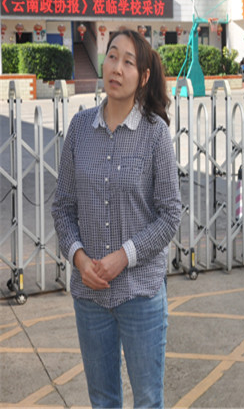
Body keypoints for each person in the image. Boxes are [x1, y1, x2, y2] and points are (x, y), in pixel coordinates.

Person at [52, 29, 181, 409]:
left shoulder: (155, 134)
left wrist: (123, 256)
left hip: (140, 292)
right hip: (89, 293)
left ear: (143, 77)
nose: (117, 68)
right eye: (111, 56)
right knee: (103, 400)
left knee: (148, 400)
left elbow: (170, 214)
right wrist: (79, 258)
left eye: (128, 61)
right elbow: (63, 207)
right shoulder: (80, 128)